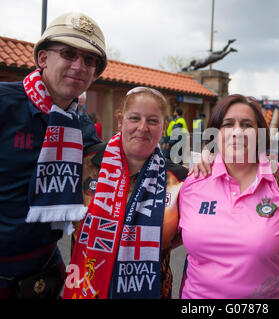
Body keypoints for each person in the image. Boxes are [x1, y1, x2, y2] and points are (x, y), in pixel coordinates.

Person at [0, 12, 106, 299]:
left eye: (89, 60)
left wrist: (194, 169)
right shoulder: (4, 104)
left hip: (44, 270)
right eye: (68, 54)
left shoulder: (79, 123)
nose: (78, 66)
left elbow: (110, 162)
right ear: (43, 59)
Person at [178, 94, 279, 299]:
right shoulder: (194, 180)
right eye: (228, 124)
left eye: (247, 125)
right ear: (215, 133)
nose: (237, 132)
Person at [63, 87, 188, 299]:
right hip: (85, 287)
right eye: (134, 118)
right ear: (120, 122)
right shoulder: (86, 163)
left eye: (153, 121)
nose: (142, 127)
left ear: (164, 127)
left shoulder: (179, 179)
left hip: (151, 291)